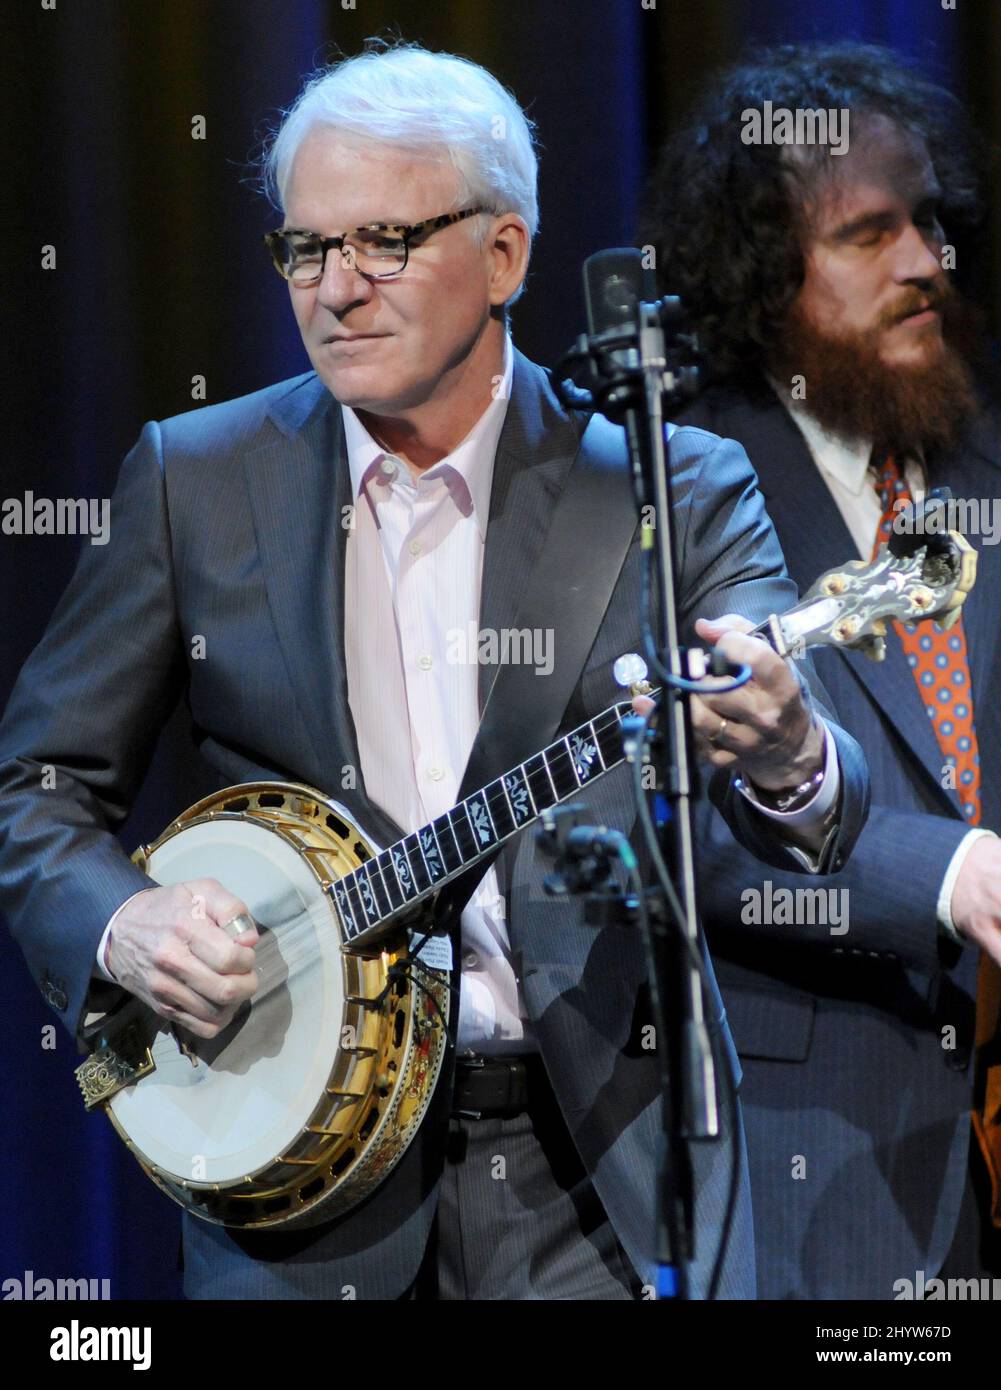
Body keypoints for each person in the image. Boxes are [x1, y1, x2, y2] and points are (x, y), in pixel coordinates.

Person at [0, 40, 868, 1301]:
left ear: (503, 254)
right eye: (304, 249)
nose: (333, 289)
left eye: (383, 242)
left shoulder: (667, 487)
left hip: (595, 1174)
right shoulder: (196, 478)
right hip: (294, 1183)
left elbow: (814, 799)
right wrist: (120, 921)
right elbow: (33, 786)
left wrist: (790, 757)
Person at [643, 41, 1001, 1299]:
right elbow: (673, 832)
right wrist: (944, 875)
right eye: (866, 234)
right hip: (824, 1166)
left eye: (926, 224)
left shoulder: (983, 471)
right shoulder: (676, 491)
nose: (921, 265)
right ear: (762, 275)